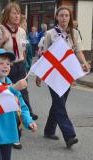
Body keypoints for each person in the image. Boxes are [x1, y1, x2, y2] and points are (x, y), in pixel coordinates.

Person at [36, 7, 90, 148]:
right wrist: (40, 75)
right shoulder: (50, 34)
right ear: (57, 17)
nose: (64, 18)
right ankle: (69, 135)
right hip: (53, 74)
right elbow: (45, 55)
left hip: (67, 74)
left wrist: (84, 63)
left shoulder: (74, 33)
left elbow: (78, 51)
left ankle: (49, 130)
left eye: (67, 15)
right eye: (62, 15)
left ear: (70, 17)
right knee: (59, 104)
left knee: (59, 103)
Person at [0, 2, 38, 120]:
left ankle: (27, 114)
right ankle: (3, 115)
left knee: (22, 90)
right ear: (7, 15)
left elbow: (24, 48)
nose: (17, 16)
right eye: (14, 13)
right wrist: (1, 40)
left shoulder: (22, 31)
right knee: (4, 92)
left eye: (19, 13)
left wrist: (24, 61)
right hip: (3, 66)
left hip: (19, 65)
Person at [0, 48, 37, 160]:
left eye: (8, 63)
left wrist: (28, 121)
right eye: (1, 63)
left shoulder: (11, 85)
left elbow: (21, 106)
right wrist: (13, 88)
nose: (5, 66)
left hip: (8, 133)